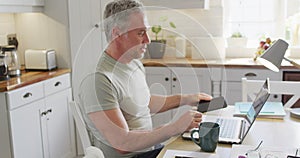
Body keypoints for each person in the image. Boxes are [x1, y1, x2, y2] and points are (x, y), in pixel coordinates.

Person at [80, 0, 212, 157]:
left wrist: (187, 99)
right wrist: (174, 128)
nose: (148, 40)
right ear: (117, 34)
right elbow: (123, 144)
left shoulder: (133, 63)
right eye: (140, 33)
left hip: (149, 149)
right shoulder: (98, 80)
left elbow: (144, 102)